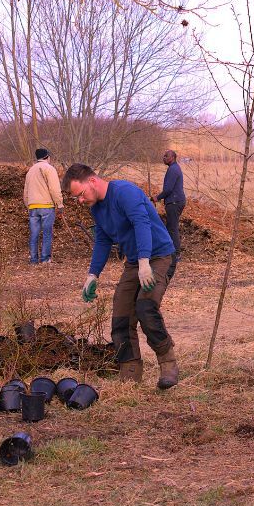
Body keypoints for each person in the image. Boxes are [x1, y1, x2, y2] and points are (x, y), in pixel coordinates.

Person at [62, 164, 179, 389]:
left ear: (93, 181)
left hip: (158, 256)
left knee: (146, 308)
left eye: (81, 194)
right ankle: (130, 373)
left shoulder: (125, 192)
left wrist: (145, 262)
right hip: (135, 262)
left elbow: (141, 224)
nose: (80, 201)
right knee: (121, 317)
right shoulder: (96, 208)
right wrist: (92, 275)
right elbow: (103, 240)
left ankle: (168, 364)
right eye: (76, 197)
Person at [23, 148, 64, 265]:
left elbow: (25, 192)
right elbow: (54, 189)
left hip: (32, 206)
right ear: (47, 157)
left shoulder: (30, 171)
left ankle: (33, 260)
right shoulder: (49, 169)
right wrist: (59, 204)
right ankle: (45, 259)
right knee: (47, 233)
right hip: (46, 206)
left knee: (34, 234)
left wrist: (28, 205)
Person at [153, 149, 186, 280]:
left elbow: (168, 189)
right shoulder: (174, 168)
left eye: (166, 156)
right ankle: (171, 252)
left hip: (174, 202)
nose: (163, 157)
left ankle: (176, 254)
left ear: (172, 157)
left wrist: (157, 197)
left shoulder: (173, 169)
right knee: (171, 228)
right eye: (163, 155)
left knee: (172, 229)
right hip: (175, 201)